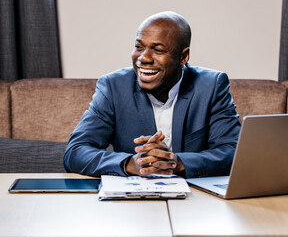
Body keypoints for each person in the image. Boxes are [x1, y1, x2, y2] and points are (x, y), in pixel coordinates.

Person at [63, 11, 240, 178]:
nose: (144, 58)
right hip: (134, 202)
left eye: (158, 50)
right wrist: (129, 163)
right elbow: (75, 151)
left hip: (197, 200)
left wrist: (178, 163)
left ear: (183, 57)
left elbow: (234, 151)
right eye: (139, 47)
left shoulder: (211, 86)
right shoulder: (113, 87)